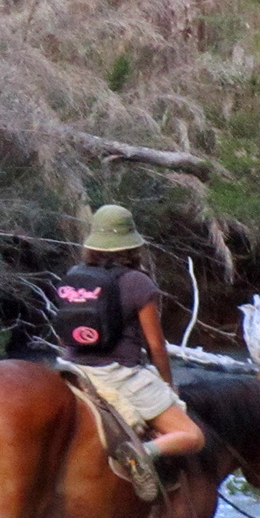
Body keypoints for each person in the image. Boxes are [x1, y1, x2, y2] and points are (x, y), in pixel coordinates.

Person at [55, 204, 204, 502]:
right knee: (193, 437)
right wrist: (167, 384)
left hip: (72, 368)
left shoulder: (74, 276)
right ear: (132, 245)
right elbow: (156, 346)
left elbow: (65, 332)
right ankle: (141, 452)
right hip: (118, 374)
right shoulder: (139, 283)